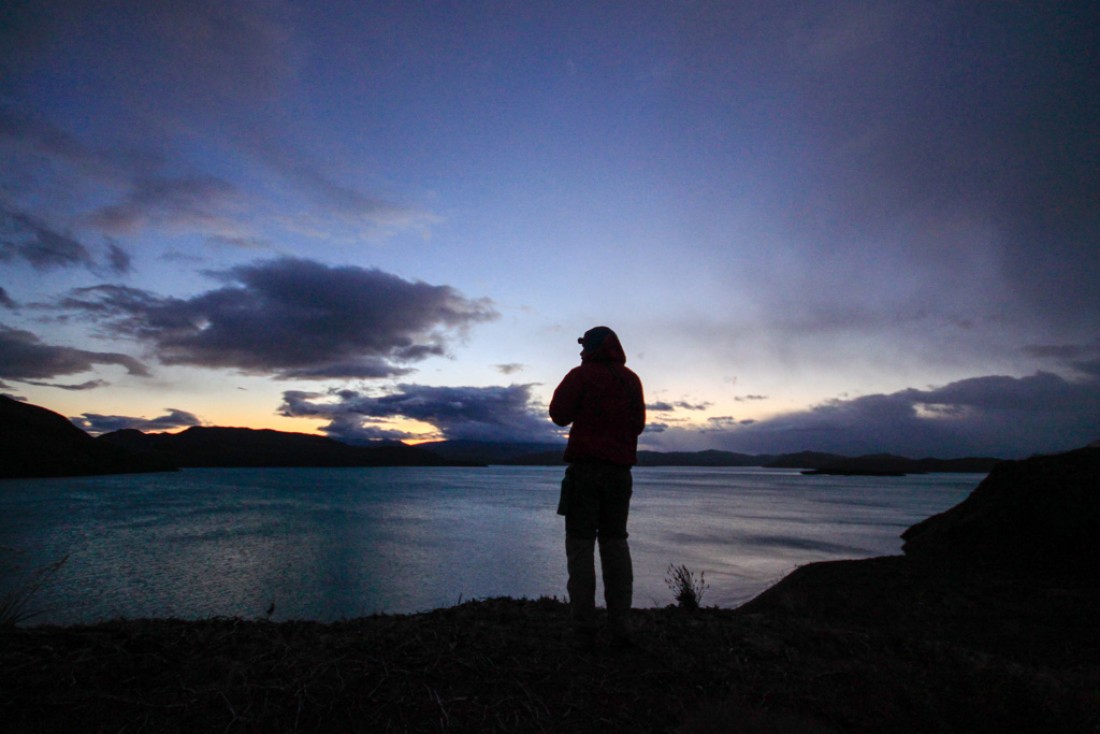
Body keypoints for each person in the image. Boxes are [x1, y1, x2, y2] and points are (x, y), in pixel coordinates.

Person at [549, 326, 645, 645]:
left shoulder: (581, 375)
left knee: (580, 545)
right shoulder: (631, 380)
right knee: (615, 542)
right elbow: (639, 425)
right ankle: (621, 625)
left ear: (592, 347)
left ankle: (584, 627)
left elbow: (558, 415)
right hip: (620, 474)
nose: (580, 351)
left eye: (584, 345)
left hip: (585, 472)